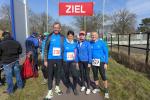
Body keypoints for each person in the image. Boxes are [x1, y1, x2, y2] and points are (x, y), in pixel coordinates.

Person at [44, 22, 64, 99]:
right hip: (50, 59)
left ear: (60, 28)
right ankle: (49, 91)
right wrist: (45, 60)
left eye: (57, 27)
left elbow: (64, 47)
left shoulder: (62, 37)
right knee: (50, 74)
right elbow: (45, 49)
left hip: (59, 59)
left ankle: (57, 87)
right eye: (54, 27)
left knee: (58, 74)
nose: (56, 29)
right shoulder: (49, 37)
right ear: (53, 28)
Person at [90, 32, 109, 99]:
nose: (93, 36)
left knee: (103, 76)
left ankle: (106, 91)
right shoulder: (90, 43)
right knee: (95, 75)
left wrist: (106, 63)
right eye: (92, 35)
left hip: (101, 62)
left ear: (97, 36)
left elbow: (106, 52)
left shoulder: (101, 43)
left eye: (94, 35)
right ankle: (97, 87)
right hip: (93, 62)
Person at [63, 30, 79, 95]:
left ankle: (74, 88)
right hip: (65, 61)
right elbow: (61, 51)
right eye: (69, 36)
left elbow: (77, 53)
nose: (70, 37)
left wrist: (77, 62)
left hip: (73, 61)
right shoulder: (64, 43)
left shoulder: (75, 43)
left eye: (71, 36)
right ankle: (68, 86)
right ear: (67, 36)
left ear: (73, 36)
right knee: (66, 75)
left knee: (75, 75)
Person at [76, 30, 92, 95]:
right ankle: (83, 85)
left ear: (85, 36)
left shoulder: (87, 43)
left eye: (83, 35)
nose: (81, 36)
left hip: (86, 61)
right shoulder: (78, 44)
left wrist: (89, 62)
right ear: (79, 36)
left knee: (87, 75)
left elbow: (90, 53)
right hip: (80, 62)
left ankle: (88, 88)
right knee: (81, 74)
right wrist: (77, 61)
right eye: (80, 35)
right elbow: (77, 53)